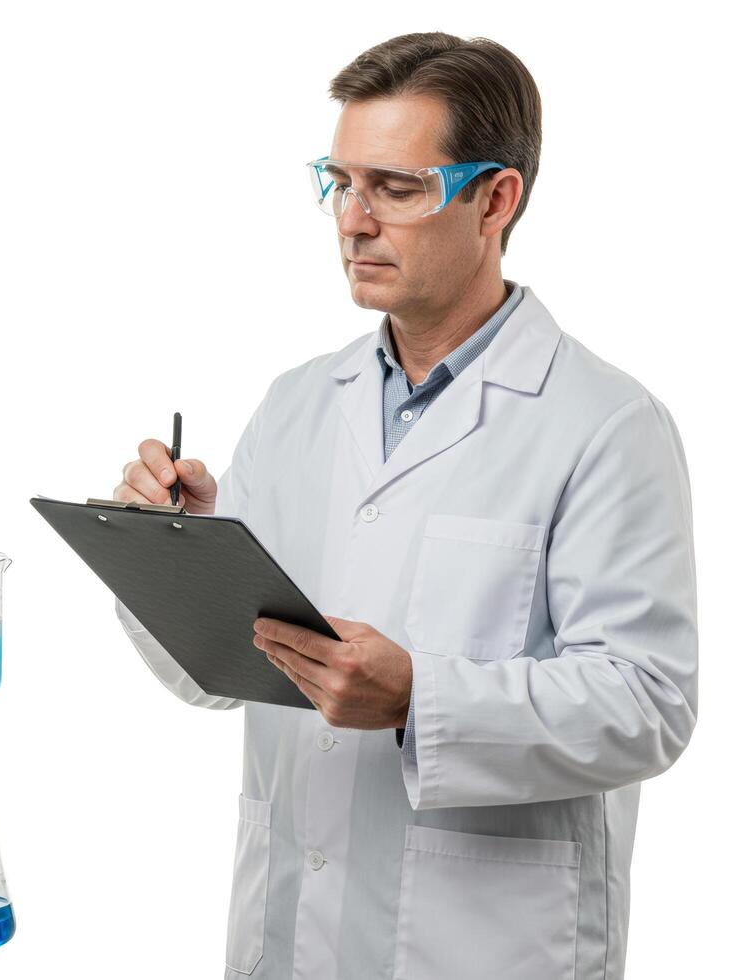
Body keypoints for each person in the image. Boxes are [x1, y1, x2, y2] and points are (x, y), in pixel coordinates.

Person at [112, 31, 697, 980]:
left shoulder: (605, 423)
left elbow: (648, 704)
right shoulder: (298, 404)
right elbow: (219, 674)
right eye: (341, 183)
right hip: (290, 935)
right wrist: (180, 553)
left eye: (394, 187)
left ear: (495, 199)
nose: (353, 221)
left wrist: (421, 698)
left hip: (486, 945)